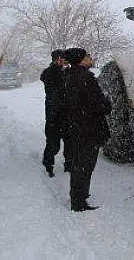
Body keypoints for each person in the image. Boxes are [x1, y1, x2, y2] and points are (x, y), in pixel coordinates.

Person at [61, 48, 111, 212]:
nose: (90, 58)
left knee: (79, 163)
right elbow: (98, 105)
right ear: (81, 60)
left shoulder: (69, 75)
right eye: (87, 56)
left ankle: (78, 196)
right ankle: (79, 201)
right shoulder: (85, 78)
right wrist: (107, 104)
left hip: (77, 127)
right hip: (88, 129)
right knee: (85, 165)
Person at [40, 49, 71, 177]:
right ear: (57, 59)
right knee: (53, 144)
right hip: (54, 114)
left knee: (69, 143)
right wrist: (58, 68)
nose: (65, 61)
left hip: (67, 113)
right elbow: (51, 85)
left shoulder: (67, 71)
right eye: (63, 59)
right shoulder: (49, 72)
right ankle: (48, 165)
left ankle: (69, 166)